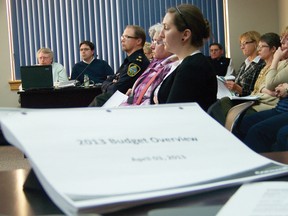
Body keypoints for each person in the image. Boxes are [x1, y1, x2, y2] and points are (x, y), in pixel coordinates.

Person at [150, 4, 217, 112]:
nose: (161, 34)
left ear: (185, 35)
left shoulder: (192, 67)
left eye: (166, 28)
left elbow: (173, 114)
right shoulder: (181, 63)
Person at [89, 25, 150, 106]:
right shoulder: (129, 61)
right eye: (122, 37)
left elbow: (116, 89)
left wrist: (110, 84)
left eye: (127, 37)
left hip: (125, 104)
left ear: (138, 41)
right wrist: (111, 83)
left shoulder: (137, 63)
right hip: (118, 102)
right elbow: (110, 79)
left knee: (99, 100)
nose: (122, 40)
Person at [121, 23, 178, 106]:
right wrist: (134, 91)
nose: (152, 46)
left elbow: (154, 101)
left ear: (169, 44)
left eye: (157, 42)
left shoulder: (171, 67)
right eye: (153, 41)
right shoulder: (155, 63)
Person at [237, 83, 288, 153]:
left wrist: (286, 88)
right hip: (281, 107)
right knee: (242, 124)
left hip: (283, 109)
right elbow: (261, 84)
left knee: (257, 131)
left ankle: (251, 161)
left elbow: (271, 82)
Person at [225, 31, 265, 97]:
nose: (242, 47)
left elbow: (258, 93)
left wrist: (238, 89)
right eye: (241, 44)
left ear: (256, 43)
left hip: (250, 104)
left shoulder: (262, 64)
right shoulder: (244, 64)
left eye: (244, 43)